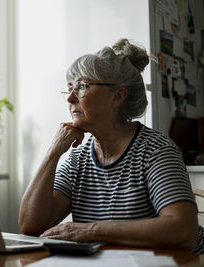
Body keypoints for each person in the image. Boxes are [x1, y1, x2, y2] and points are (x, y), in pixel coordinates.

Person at [18, 39, 204, 253]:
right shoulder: (78, 158)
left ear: (117, 96)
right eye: (69, 88)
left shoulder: (156, 150)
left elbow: (183, 231)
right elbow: (31, 226)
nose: (70, 98)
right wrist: (53, 152)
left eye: (81, 87)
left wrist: (90, 231)